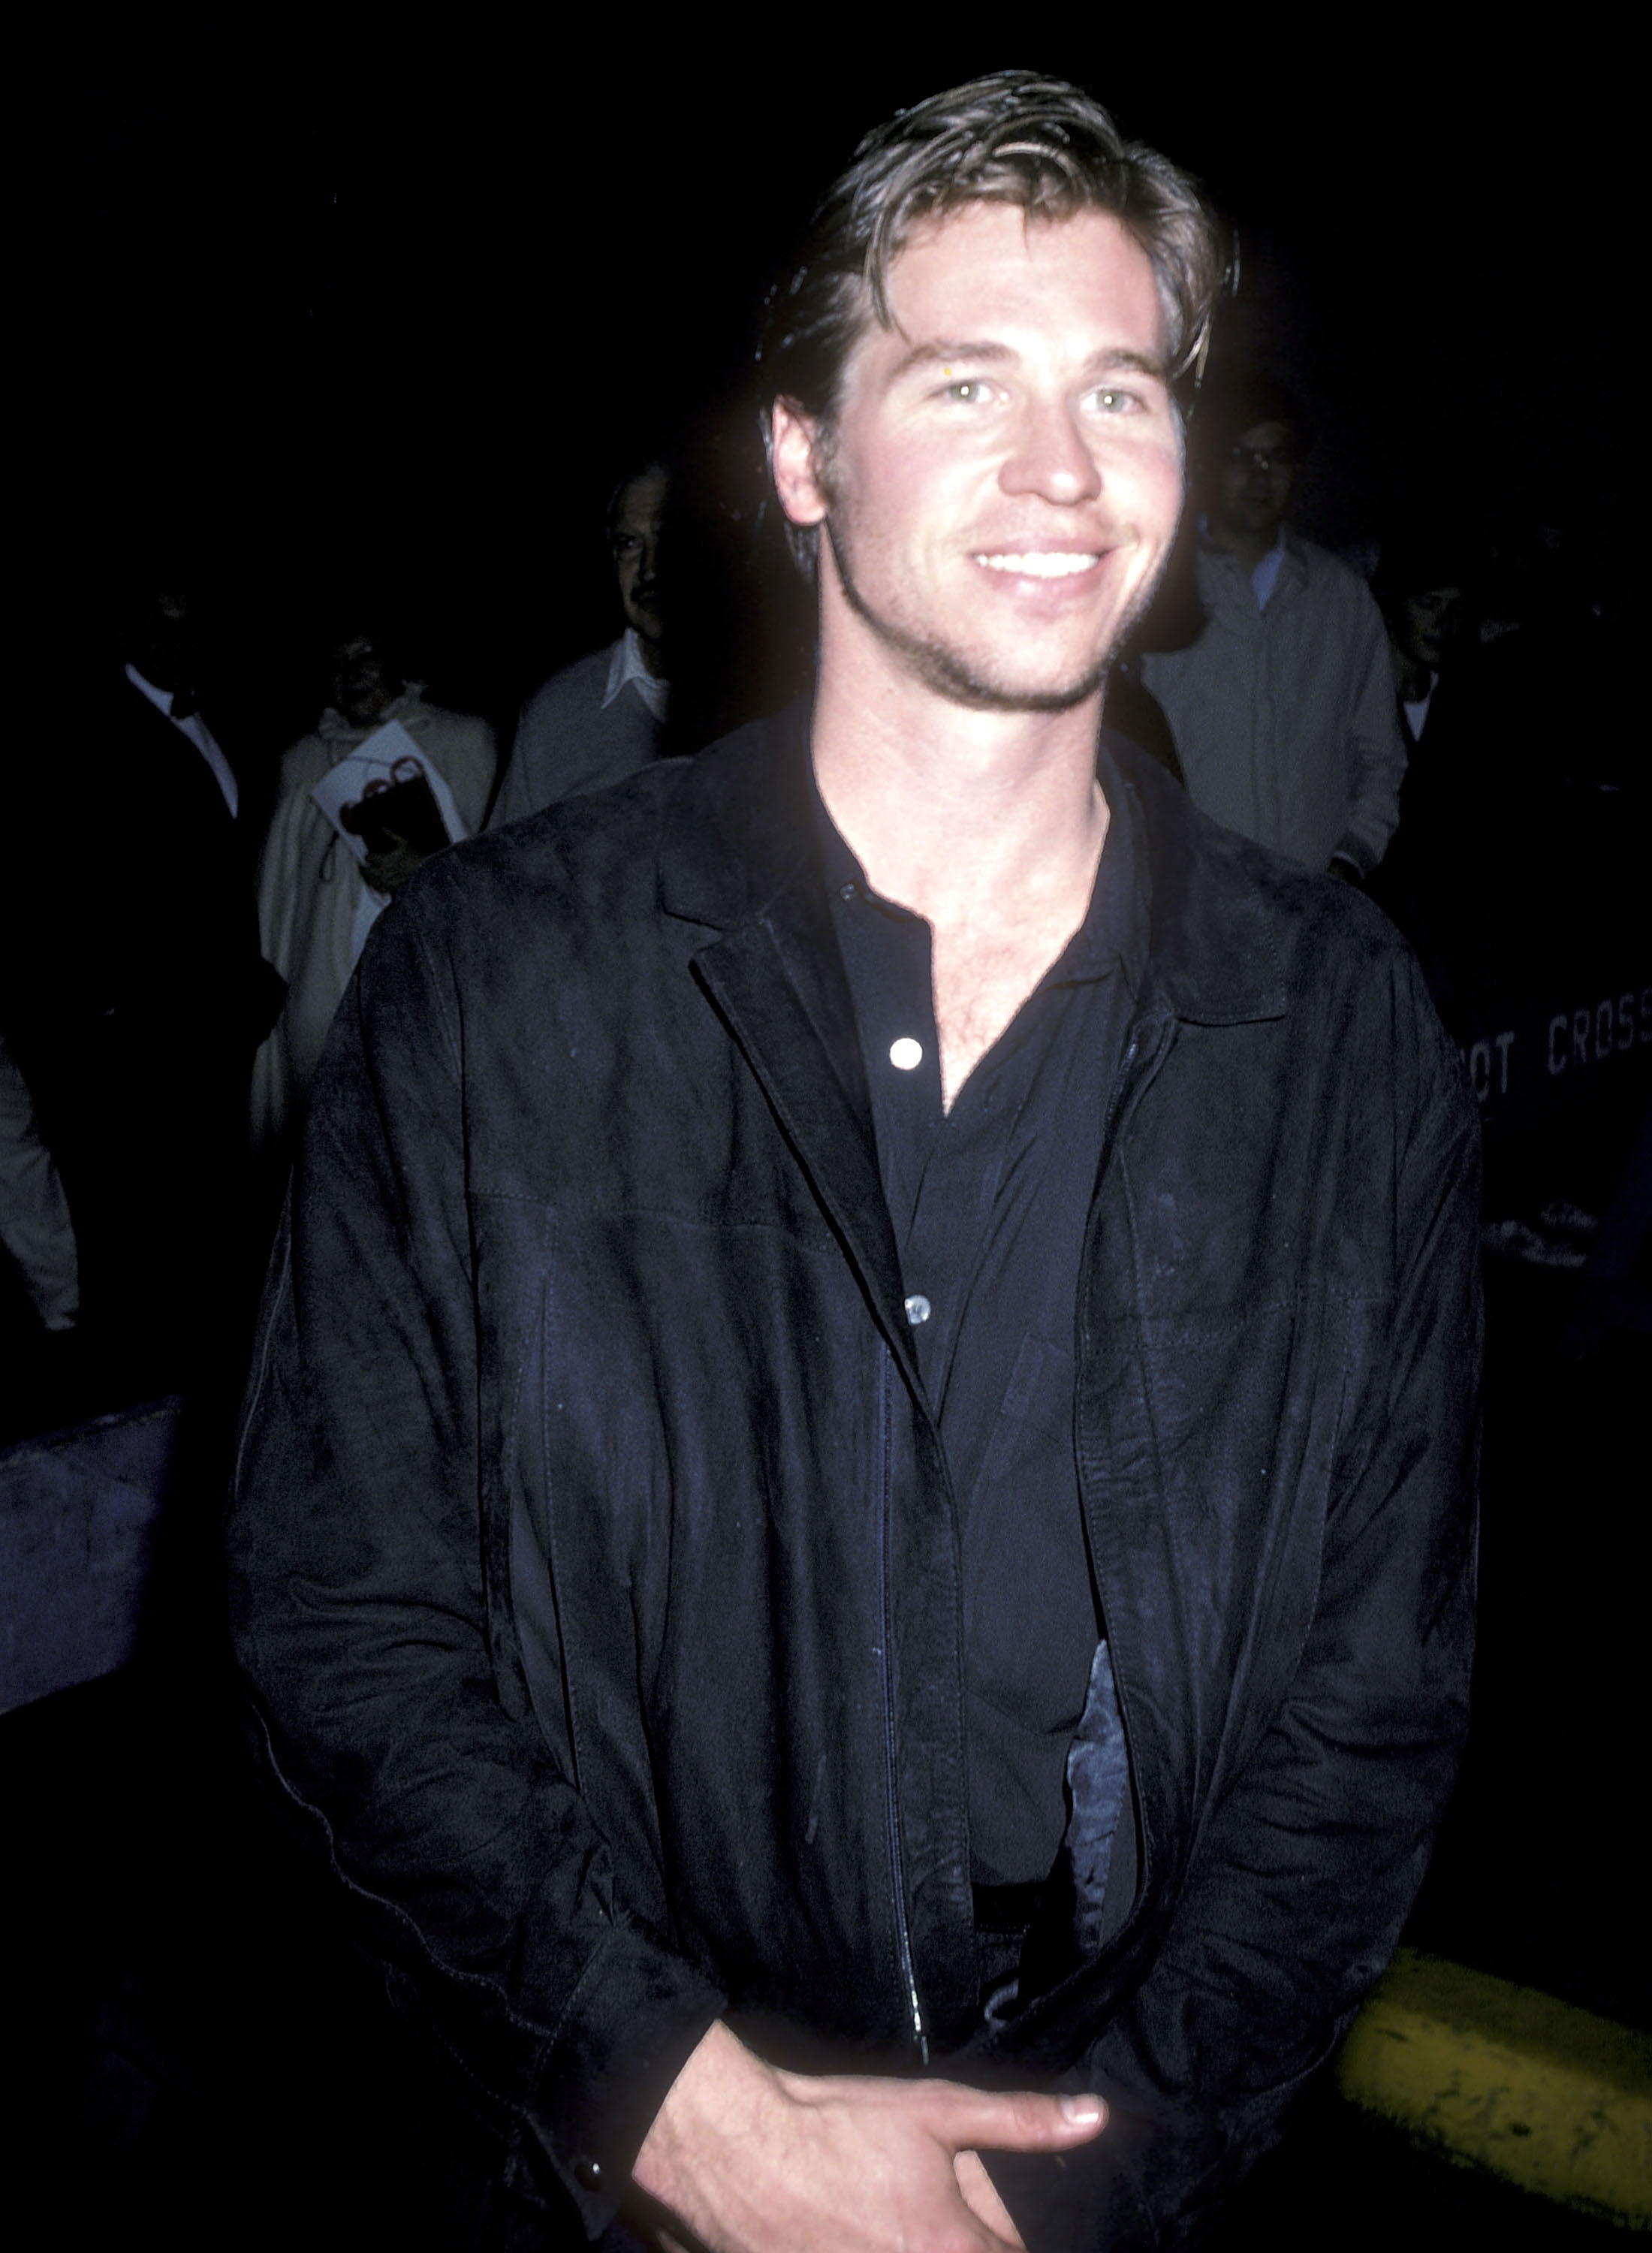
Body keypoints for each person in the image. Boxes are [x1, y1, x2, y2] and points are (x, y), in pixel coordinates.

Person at [229, 73, 1480, 2251]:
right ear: (804, 455)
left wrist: (1109, 2170)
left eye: (1120, 385)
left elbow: (1373, 1714)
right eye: (964, 379)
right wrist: (687, 2113)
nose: (1062, 468)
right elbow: (347, 1624)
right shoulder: (500, 990)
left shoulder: (1341, 1027)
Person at [1139, 374, 1408, 880]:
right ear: (1206, 465)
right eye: (1241, 456)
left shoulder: (1339, 598)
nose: (1260, 476)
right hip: (1187, 900)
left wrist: (1351, 859)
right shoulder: (1158, 594)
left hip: (1312, 903)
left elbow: (1380, 757)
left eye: (1276, 456)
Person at [249, 623, 495, 1154]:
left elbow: (492, 874)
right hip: (321, 1012)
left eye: (367, 655)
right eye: (338, 661)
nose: (353, 673)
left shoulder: (460, 740)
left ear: (396, 661)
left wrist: (424, 867)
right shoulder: (303, 761)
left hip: (420, 1000)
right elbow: (279, 903)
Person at [487, 463, 672, 828]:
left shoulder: (771, 698)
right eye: (630, 544)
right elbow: (502, 877)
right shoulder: (557, 715)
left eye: (667, 537)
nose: (649, 568)